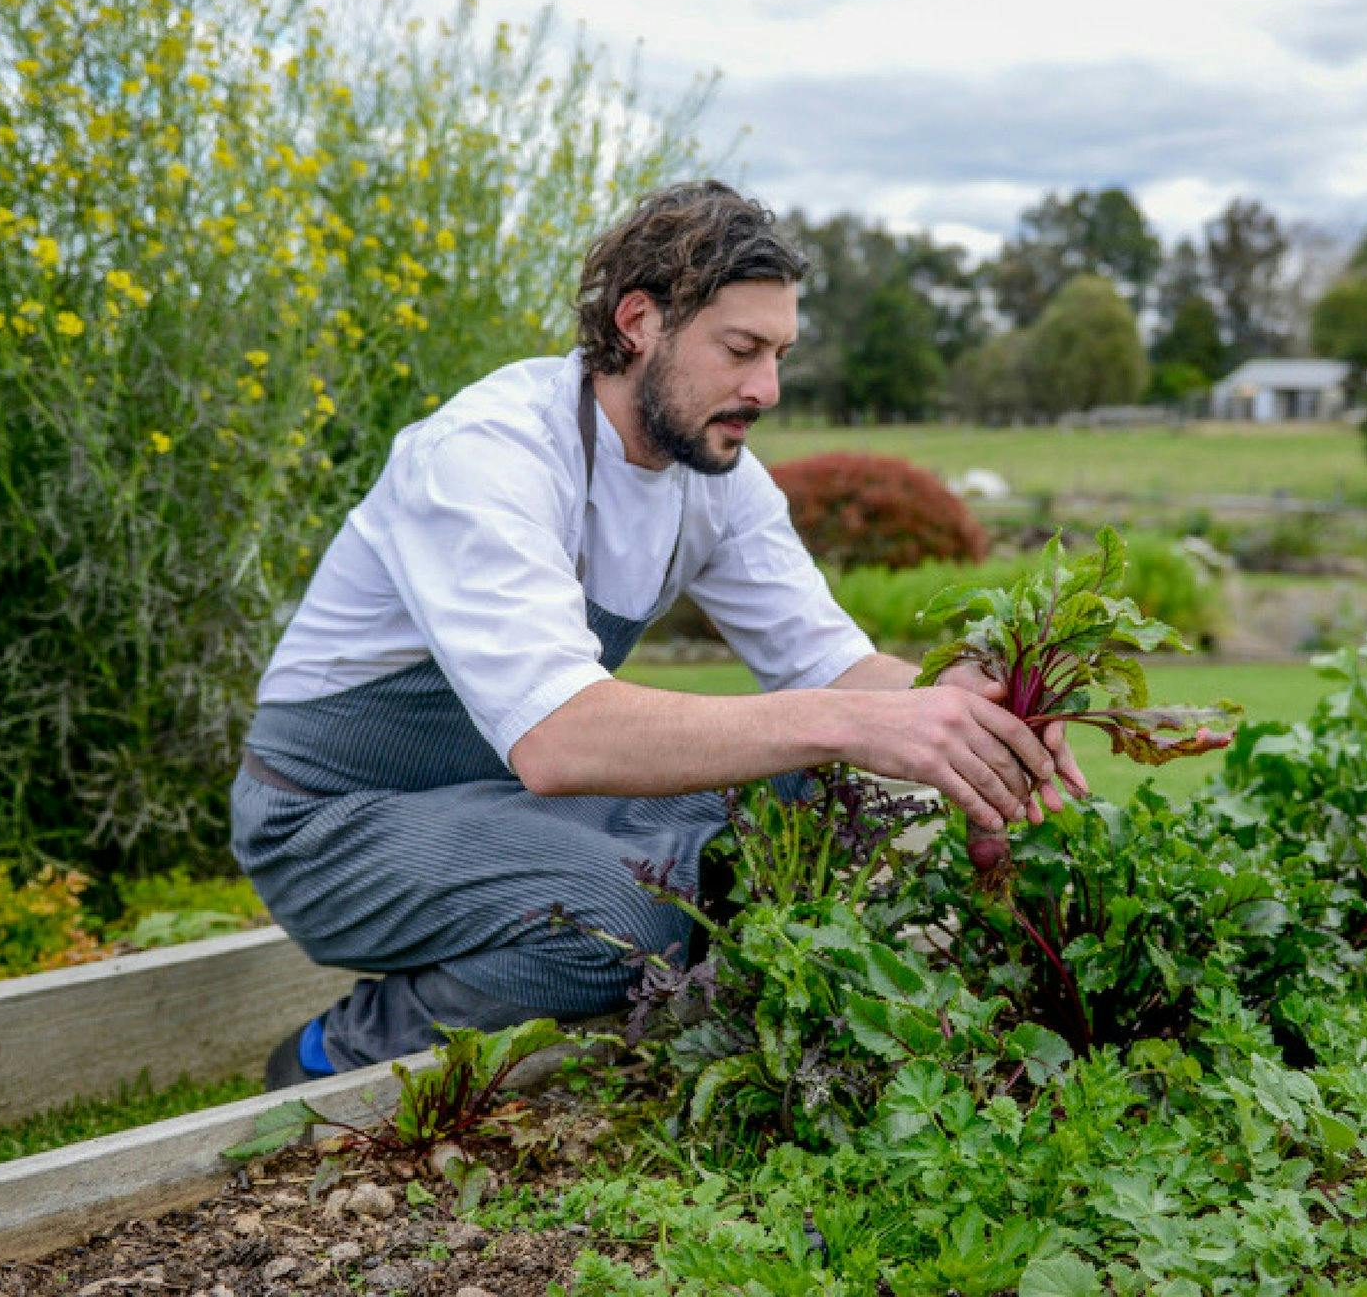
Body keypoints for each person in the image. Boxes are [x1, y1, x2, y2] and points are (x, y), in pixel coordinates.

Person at [235, 180, 1088, 1087]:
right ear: (639, 319)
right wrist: (853, 722)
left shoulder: (713, 476)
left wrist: (958, 705)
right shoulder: (489, 456)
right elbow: (559, 741)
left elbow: (828, 663)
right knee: (620, 918)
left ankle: (674, 1030)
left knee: (804, 804)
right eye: (740, 350)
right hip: (333, 823)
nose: (765, 388)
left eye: (780, 354)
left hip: (499, 805)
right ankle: (330, 1057)